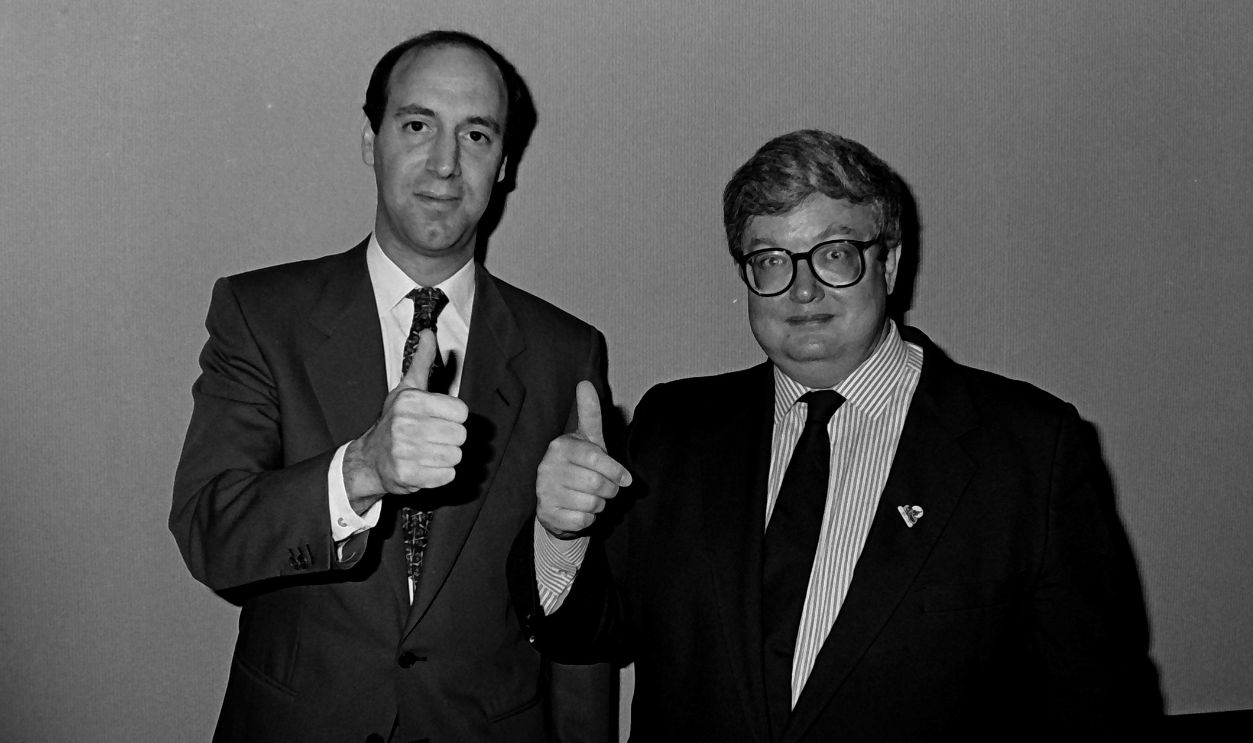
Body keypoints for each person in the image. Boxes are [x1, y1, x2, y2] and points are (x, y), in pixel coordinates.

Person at [511, 130, 1163, 741]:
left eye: (833, 254)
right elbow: (588, 632)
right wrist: (560, 535)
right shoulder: (675, 427)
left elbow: (1099, 699)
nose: (801, 288)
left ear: (889, 262)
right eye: (770, 259)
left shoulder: (1027, 451)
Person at [172, 30, 611, 743]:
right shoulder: (261, 316)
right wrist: (364, 468)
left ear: (504, 165)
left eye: (475, 135)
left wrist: (566, 536)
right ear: (371, 141)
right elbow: (212, 536)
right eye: (416, 125)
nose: (444, 164)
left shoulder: (567, 351)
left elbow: (577, 616)